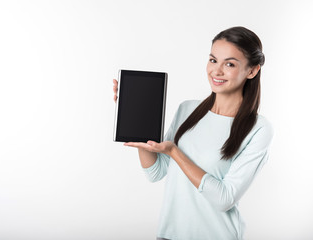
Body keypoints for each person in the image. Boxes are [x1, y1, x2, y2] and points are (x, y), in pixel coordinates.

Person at [112, 26, 273, 240]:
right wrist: (137, 120)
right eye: (213, 60)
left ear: (252, 71)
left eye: (230, 64)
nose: (216, 71)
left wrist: (175, 152)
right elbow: (156, 172)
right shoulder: (187, 110)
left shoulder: (259, 129)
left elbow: (225, 199)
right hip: (169, 234)